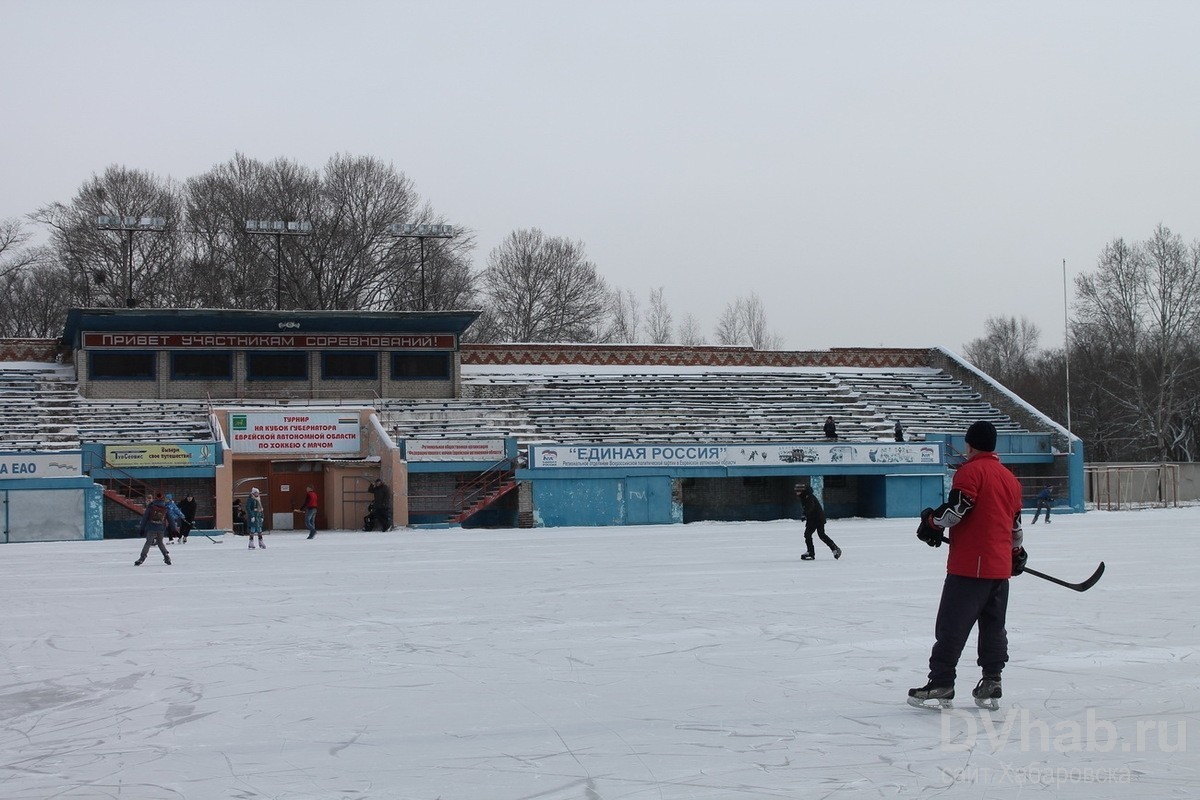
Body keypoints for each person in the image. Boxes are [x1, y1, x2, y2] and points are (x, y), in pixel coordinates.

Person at [909, 420, 1026, 710]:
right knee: (993, 627)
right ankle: (992, 680)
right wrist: (1017, 553)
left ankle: (941, 682)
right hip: (1000, 570)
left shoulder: (969, 472)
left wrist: (932, 524)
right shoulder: (1010, 479)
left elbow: (958, 510)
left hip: (969, 568)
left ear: (970, 445)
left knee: (951, 626)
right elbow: (1015, 526)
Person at [795, 484, 841, 561]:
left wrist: (804, 514)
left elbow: (810, 507)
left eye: (798, 491)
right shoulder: (804, 497)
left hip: (818, 518)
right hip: (812, 519)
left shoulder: (808, 497)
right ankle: (810, 552)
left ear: (802, 491)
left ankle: (835, 549)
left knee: (821, 535)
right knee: (807, 535)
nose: (796, 492)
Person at [135, 492, 172, 566]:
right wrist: (174, 529)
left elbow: (144, 519)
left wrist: (142, 529)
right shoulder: (165, 507)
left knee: (148, 542)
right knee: (160, 542)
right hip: (161, 528)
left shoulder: (151, 507)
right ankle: (166, 556)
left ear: (155, 498)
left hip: (151, 528)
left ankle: (142, 558)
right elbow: (170, 519)